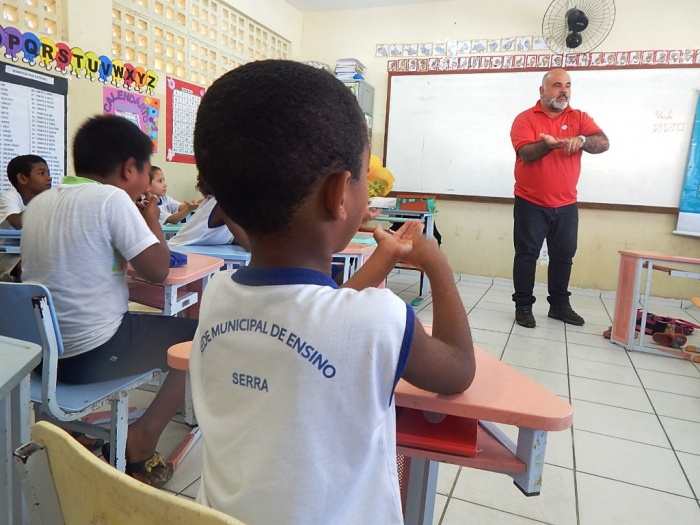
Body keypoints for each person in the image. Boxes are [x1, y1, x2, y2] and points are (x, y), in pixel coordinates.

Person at [189, 59, 476, 524]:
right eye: (364, 177)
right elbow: (458, 370)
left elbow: (321, 313)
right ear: (339, 193)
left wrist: (382, 259)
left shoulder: (218, 295)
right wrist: (437, 263)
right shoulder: (379, 317)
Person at [21, 115, 198, 487]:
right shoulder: (112, 198)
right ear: (129, 168)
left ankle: (67, 427)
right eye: (147, 172)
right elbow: (157, 270)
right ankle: (143, 437)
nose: (146, 183)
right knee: (200, 339)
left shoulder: (39, 204)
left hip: (41, 358)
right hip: (90, 357)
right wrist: (151, 219)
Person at [510, 68, 609, 328]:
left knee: (563, 256)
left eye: (567, 85)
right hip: (530, 202)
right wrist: (547, 145)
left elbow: (603, 143)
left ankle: (559, 306)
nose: (563, 91)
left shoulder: (579, 117)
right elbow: (526, 153)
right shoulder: (525, 119)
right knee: (526, 256)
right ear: (542, 90)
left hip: (566, 204)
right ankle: (523, 307)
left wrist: (583, 139)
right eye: (556, 85)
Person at [0, 155, 51, 281]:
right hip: (6, 256)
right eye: (41, 173)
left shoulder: (45, 201)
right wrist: (43, 204)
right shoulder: (9, 197)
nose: (49, 177)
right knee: (30, 268)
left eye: (48, 173)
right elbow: (15, 222)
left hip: (29, 253)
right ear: (22, 178)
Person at [167, 173, 249, 249]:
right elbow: (249, 244)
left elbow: (230, 237)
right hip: (178, 252)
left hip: (185, 250)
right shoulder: (222, 205)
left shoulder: (213, 200)